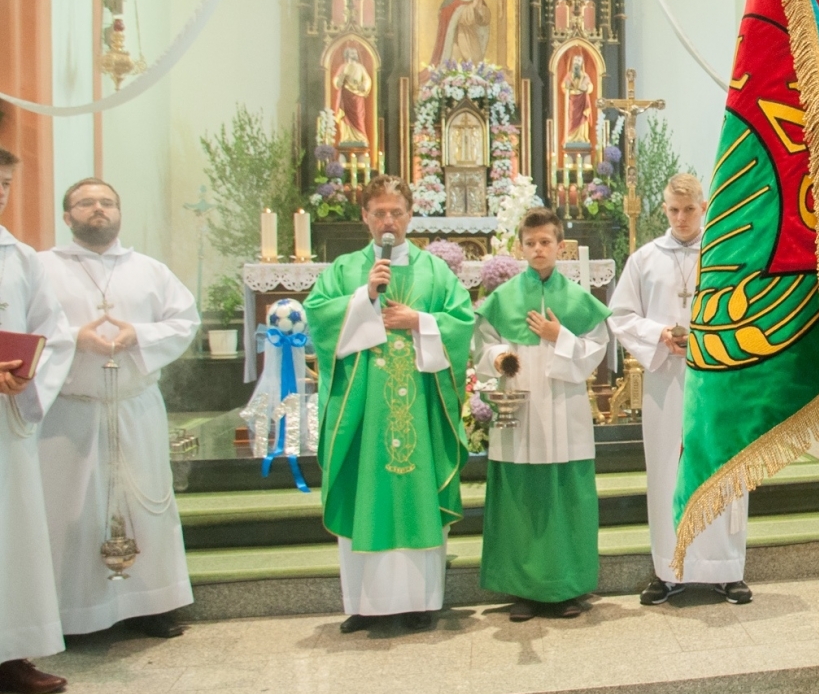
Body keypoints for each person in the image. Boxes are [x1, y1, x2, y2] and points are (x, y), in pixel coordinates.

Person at [305, 175, 475, 633]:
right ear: (364, 216)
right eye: (378, 212)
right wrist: (365, 298)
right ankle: (365, 605)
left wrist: (419, 320)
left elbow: (462, 323)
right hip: (364, 411)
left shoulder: (434, 271)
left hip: (418, 407)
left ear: (410, 216)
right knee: (367, 494)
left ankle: (420, 602)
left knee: (415, 492)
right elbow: (318, 319)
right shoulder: (345, 270)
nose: (387, 221)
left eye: (396, 213)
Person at [39, 179, 200, 639]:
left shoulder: (148, 270)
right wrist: (76, 339)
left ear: (119, 213)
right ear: (67, 216)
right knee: (71, 508)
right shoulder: (43, 268)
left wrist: (138, 337)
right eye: (86, 203)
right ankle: (74, 614)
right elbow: (26, 330)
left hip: (134, 407)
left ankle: (151, 606)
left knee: (145, 504)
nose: (98, 209)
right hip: (70, 412)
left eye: (107, 202)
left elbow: (184, 321)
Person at [609, 174, 752, 606]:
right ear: (664, 209)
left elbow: (748, 311)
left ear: (704, 208)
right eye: (673, 210)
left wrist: (708, 339)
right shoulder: (645, 258)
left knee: (719, 465)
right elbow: (620, 315)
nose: (681, 218)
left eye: (689, 210)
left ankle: (727, 569)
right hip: (666, 382)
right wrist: (658, 335)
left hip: (716, 379)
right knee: (666, 472)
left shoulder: (727, 254)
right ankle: (667, 571)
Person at [472, 208, 611, 621]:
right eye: (530, 243)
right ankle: (524, 590)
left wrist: (559, 336)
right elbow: (483, 344)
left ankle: (565, 587)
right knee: (520, 499)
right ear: (520, 248)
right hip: (521, 407)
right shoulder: (503, 298)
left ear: (560, 247)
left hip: (564, 408)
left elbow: (597, 348)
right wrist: (501, 358)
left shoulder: (577, 299)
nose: (538, 249)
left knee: (566, 495)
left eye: (546, 242)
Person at [0, 148, 76, 694]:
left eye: (5, 184)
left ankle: (11, 652)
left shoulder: (20, 258)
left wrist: (28, 379)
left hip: (6, 422)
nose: (0, 194)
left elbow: (55, 333)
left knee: (12, 536)